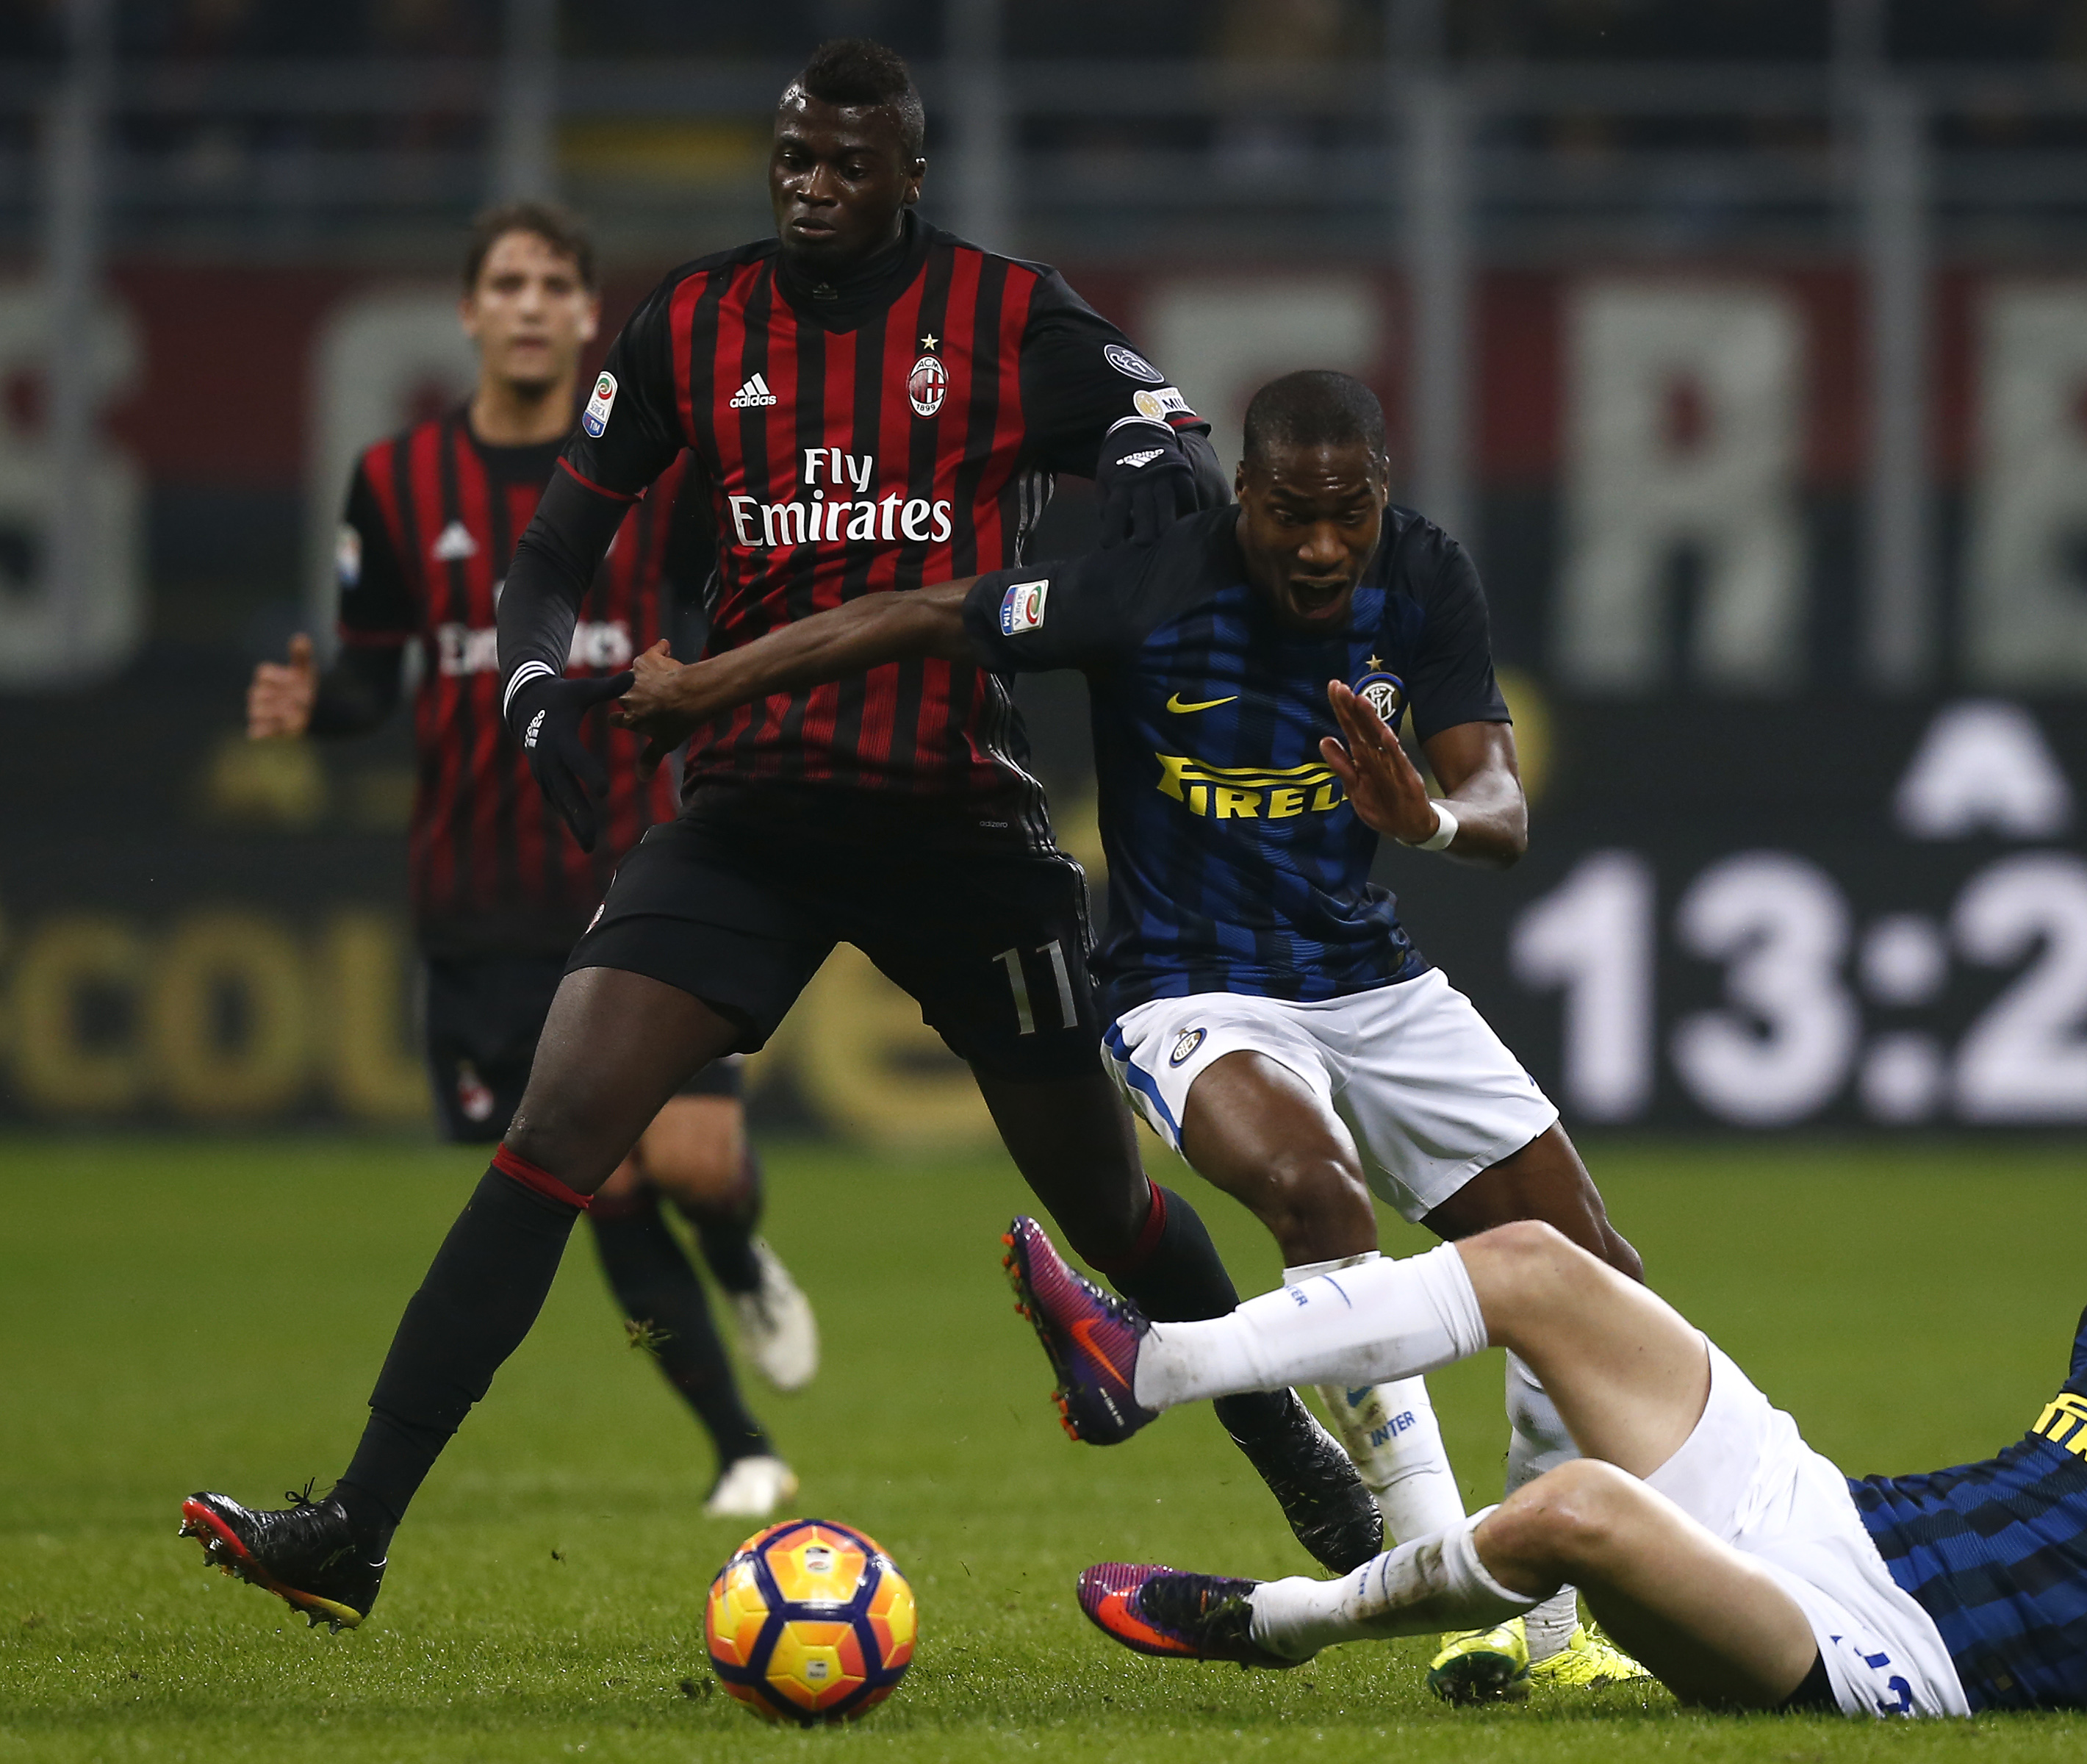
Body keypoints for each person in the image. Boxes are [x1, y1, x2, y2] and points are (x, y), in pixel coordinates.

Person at [179, 38, 1369, 1632]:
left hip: (957, 819)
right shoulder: (693, 322)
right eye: (792, 159)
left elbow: (1166, 429)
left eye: (844, 164)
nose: (810, 186)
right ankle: (358, 1526)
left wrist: (1154, 452)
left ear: (910, 177)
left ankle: (1295, 1456)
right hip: (746, 813)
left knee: (1104, 1204)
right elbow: (551, 559)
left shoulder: (1009, 317)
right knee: (556, 1135)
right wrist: (535, 679)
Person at [611, 370, 1649, 1699]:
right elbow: (920, 611)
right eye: (1291, 515)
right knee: (1312, 1192)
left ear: (1382, 493)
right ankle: (1443, 1567)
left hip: (1371, 982)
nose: (1323, 546)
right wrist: (707, 688)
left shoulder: (1426, 577)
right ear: (1247, 498)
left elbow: (1496, 801)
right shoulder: (1146, 584)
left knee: (1594, 1274)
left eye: (1350, 513)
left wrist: (1428, 824)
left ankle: (1541, 1631)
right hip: (1189, 987)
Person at [1005, 1141, 2087, 1717]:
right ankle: (1143, 1366)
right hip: (1822, 1507)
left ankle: (1279, 1629)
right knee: (1533, 1265)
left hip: (1881, 1658)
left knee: (1580, 1505)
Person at [242, 200, 816, 1519]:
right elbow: (376, 677)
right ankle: (739, 1445)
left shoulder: (652, 472)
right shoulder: (394, 484)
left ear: (584, 313)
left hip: (640, 867)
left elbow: (700, 609)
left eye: (557, 284)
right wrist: (312, 705)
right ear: (470, 311)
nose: (532, 305)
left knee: (696, 1169)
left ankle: (737, 1254)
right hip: (481, 900)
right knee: (600, 1182)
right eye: (507, 281)